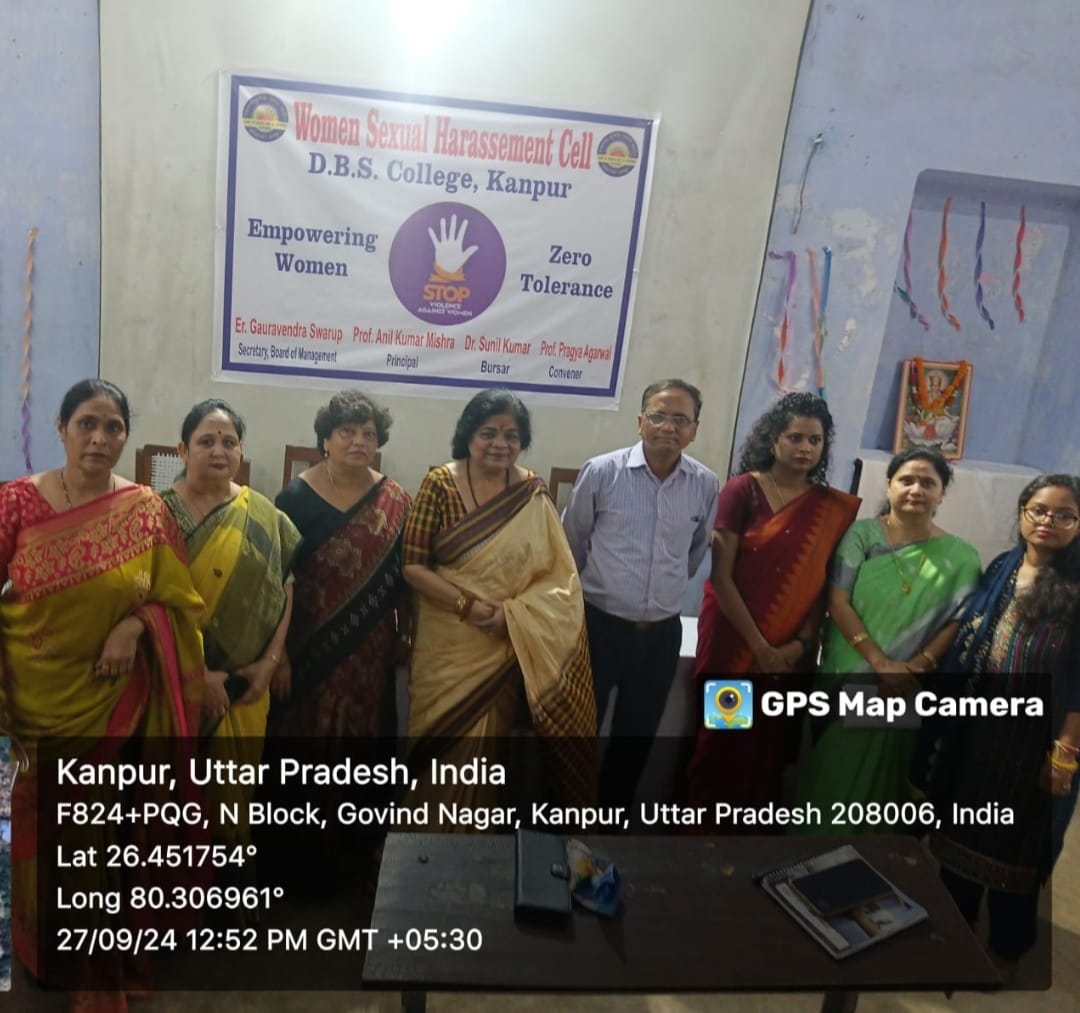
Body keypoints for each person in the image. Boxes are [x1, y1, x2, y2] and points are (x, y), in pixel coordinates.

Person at [0, 379, 205, 1005]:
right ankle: (42, 957)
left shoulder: (145, 509)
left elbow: (179, 602)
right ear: (61, 429)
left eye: (113, 427)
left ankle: (97, 968)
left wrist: (136, 625)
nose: (99, 438)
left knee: (99, 847)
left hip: (114, 705)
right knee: (37, 841)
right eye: (86, 423)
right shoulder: (15, 504)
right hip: (30, 705)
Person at [403, 388, 595, 810]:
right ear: (468, 435)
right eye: (488, 433)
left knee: (488, 754)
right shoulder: (440, 484)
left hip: (504, 642)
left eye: (511, 435)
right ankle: (422, 838)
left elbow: (558, 579)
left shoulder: (531, 493)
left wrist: (513, 617)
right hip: (447, 647)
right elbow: (413, 566)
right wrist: (468, 607)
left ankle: (476, 841)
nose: (499, 444)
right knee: (436, 748)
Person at [925, 474, 1080, 968]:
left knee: (1020, 846)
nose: (1048, 521)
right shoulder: (1002, 568)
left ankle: (1007, 947)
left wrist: (1064, 754)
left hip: (1036, 742)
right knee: (964, 828)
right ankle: (955, 927)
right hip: (979, 728)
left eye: (1065, 515)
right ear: (1022, 512)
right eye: (1039, 510)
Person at [684, 392, 860, 822]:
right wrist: (760, 647)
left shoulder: (830, 509)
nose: (805, 448)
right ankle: (700, 836)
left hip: (788, 655)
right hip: (733, 644)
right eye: (795, 437)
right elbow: (721, 577)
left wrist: (798, 646)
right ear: (773, 438)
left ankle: (749, 838)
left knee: (767, 749)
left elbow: (821, 585)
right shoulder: (742, 490)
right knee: (722, 741)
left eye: (815, 440)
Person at [794, 447, 981, 832]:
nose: (916, 489)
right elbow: (838, 601)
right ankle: (810, 851)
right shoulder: (861, 535)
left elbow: (958, 622)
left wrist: (914, 668)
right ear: (889, 485)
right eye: (906, 480)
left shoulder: (962, 557)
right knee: (832, 774)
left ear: (942, 493)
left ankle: (871, 860)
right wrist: (881, 664)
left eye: (928, 483)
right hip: (850, 676)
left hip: (906, 685)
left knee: (881, 786)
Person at [160, 399, 301, 886]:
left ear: (241, 450)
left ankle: (227, 902)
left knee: (232, 800)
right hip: (174, 686)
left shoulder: (263, 514)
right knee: (169, 802)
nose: (218, 451)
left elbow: (284, 589)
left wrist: (270, 662)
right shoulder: (155, 513)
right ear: (183, 450)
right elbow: (144, 604)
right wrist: (197, 676)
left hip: (245, 687)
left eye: (229, 442)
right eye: (206, 441)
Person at [562, 379, 719, 810]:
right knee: (577, 737)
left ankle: (609, 831)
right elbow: (572, 542)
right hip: (599, 628)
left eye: (680, 419)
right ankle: (560, 830)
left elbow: (695, 552)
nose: (668, 427)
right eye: (658, 416)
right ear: (640, 421)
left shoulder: (705, 484)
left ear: (694, 430)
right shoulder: (602, 472)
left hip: (660, 636)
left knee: (634, 742)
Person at [272, 390, 411, 738]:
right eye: (347, 431)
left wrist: (407, 633)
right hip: (306, 648)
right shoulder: (295, 499)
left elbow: (408, 575)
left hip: (372, 652)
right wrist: (279, 657)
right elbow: (274, 582)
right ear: (326, 440)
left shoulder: (396, 499)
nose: (359, 441)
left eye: (369, 434)